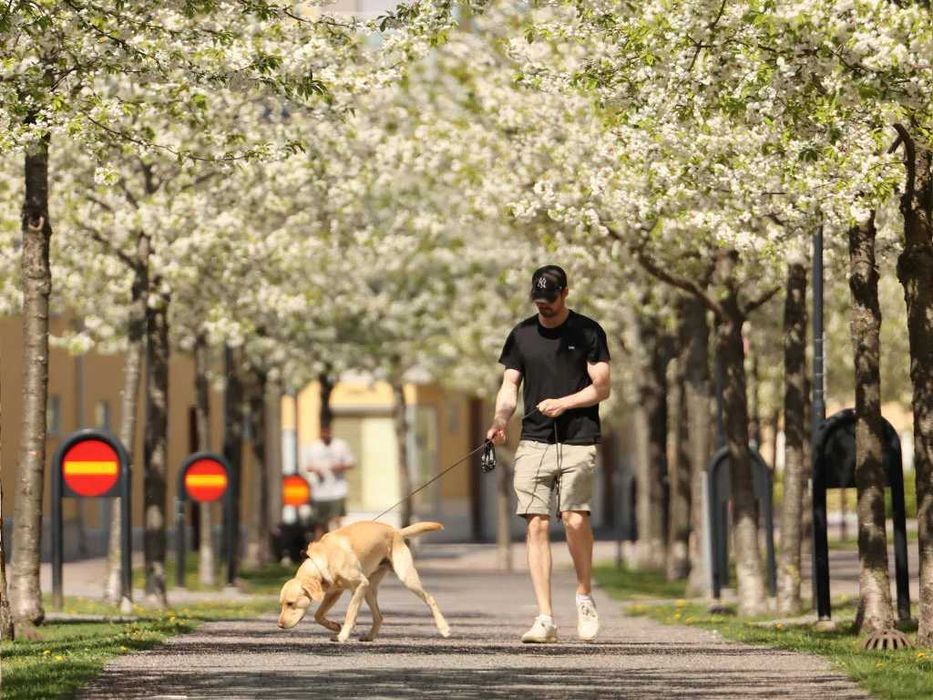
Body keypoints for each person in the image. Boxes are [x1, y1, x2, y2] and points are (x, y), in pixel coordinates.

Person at [486, 264, 611, 644]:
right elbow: (509, 386)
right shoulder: (522, 335)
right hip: (534, 440)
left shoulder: (589, 331)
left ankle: (584, 598)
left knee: (574, 519)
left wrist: (566, 403)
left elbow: (602, 387)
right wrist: (500, 419)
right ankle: (545, 618)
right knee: (536, 524)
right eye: (540, 303)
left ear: (565, 294)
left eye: (552, 302)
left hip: (578, 437)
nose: (546, 309)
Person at [301, 423, 355, 538]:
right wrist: (316, 470)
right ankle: (321, 547)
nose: (326, 434)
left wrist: (340, 467)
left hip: (337, 490)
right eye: (323, 432)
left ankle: (339, 545)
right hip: (319, 493)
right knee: (320, 523)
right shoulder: (313, 447)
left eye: (327, 431)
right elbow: (306, 466)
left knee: (337, 521)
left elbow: (351, 463)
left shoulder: (340, 445)